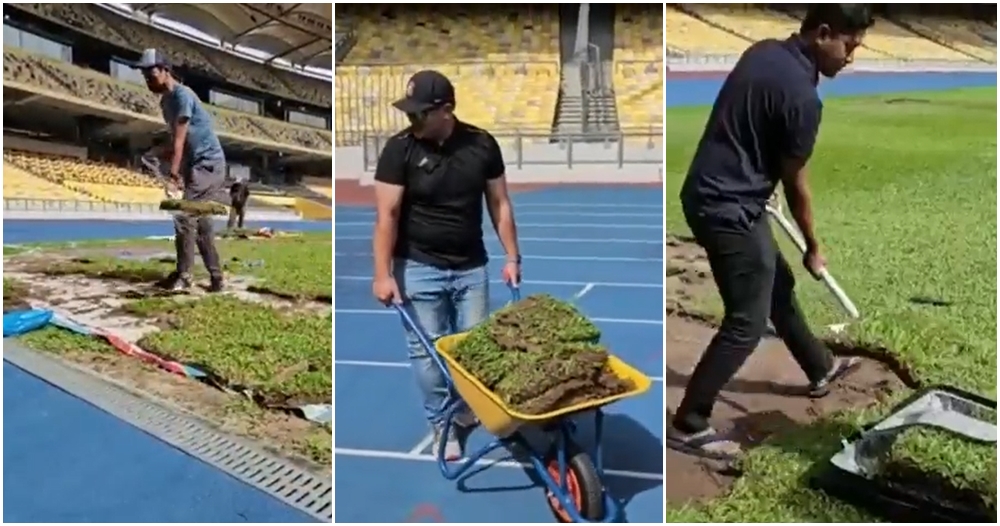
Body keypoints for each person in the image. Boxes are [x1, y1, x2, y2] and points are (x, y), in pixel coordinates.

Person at [669, 5, 875, 459]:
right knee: (746, 320)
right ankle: (689, 422)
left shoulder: (762, 51)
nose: (850, 58)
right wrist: (813, 246)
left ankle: (820, 367)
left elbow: (749, 130)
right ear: (823, 33)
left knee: (776, 284)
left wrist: (757, 179)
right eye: (849, 45)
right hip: (726, 207)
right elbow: (796, 184)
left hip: (722, 192)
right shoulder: (803, 98)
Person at [371, 70, 522, 460]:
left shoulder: (481, 144)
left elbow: (500, 203)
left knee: (475, 349)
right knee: (428, 353)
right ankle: (441, 421)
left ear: (446, 110)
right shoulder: (399, 149)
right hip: (417, 266)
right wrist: (383, 275)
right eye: (409, 113)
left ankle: (469, 406)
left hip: (471, 266)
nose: (412, 120)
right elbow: (387, 215)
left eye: (420, 113)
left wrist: (512, 257)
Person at [135, 48, 228, 292]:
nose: (148, 81)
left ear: (166, 71)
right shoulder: (166, 102)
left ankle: (184, 275)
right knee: (202, 223)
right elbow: (174, 142)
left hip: (208, 164)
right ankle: (216, 278)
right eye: (145, 77)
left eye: (151, 75)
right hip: (194, 165)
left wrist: (173, 174)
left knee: (184, 217)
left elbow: (180, 138)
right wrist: (155, 154)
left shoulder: (182, 95)